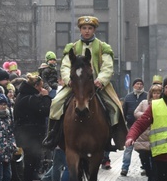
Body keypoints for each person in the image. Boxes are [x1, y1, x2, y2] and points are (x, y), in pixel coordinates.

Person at [43, 15, 127, 151]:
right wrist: (67, 79)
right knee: (56, 103)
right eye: (84, 28)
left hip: (98, 86)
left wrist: (100, 80)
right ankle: (53, 136)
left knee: (115, 107)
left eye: (90, 28)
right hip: (75, 85)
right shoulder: (72, 47)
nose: (87, 31)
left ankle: (113, 138)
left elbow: (107, 66)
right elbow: (65, 66)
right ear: (80, 30)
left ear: (94, 30)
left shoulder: (103, 47)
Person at [14, 73, 52, 181]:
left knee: (31, 163)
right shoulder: (29, 98)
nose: (42, 89)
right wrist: (46, 97)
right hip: (30, 135)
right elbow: (46, 110)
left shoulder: (24, 96)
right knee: (30, 163)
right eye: (41, 87)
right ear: (36, 86)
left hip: (28, 134)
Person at [132, 84, 162, 181]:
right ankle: (149, 174)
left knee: (155, 160)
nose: (156, 95)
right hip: (144, 136)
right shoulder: (144, 103)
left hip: (156, 135)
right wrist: (146, 115)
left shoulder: (163, 104)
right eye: (154, 93)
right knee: (144, 158)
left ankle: (155, 180)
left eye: (158, 93)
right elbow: (136, 113)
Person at [120, 78, 147, 176]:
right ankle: (124, 168)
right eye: (137, 84)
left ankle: (145, 167)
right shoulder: (128, 97)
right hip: (131, 126)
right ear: (133, 86)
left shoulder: (147, 96)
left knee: (143, 150)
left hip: (144, 128)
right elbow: (124, 111)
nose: (139, 86)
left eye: (141, 84)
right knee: (128, 148)